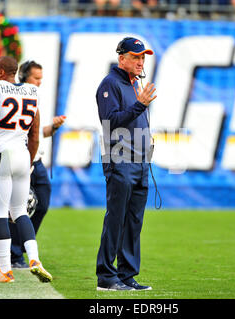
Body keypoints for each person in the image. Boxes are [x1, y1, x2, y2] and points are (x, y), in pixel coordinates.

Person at [0, 56, 52, 283]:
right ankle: (35, 259)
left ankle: (5, 270)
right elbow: (34, 136)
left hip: (1, 155)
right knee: (20, 212)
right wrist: (31, 162)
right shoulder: (32, 91)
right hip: (24, 156)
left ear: (2, 71)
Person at [95, 37, 157, 291]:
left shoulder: (134, 84)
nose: (141, 62)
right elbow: (110, 121)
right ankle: (106, 277)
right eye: (136, 57)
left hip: (140, 162)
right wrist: (140, 105)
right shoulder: (109, 84)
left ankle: (126, 275)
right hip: (120, 160)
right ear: (122, 59)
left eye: (143, 57)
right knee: (116, 219)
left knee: (133, 221)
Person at [9, 60, 66, 269]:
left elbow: (38, 132)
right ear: (23, 76)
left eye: (41, 78)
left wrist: (54, 127)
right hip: (21, 160)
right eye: (36, 78)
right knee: (18, 208)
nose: (40, 82)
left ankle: (24, 243)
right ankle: (15, 255)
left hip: (36, 159)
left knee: (41, 203)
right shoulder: (15, 95)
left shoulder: (34, 97)